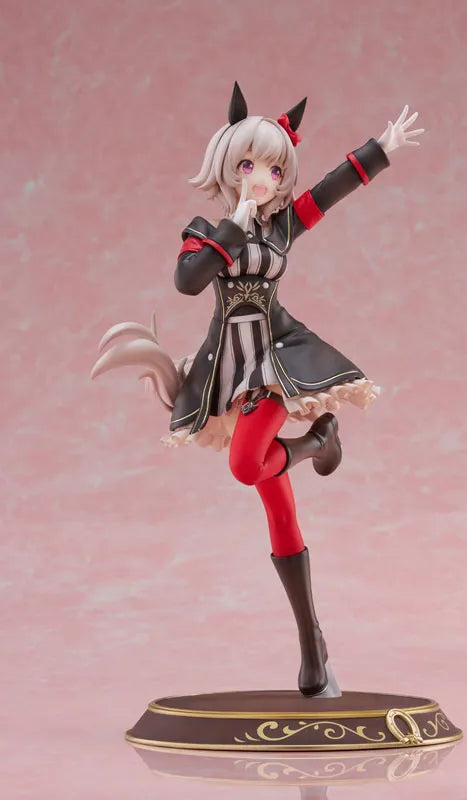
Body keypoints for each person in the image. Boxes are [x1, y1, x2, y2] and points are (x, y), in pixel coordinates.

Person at [92, 82, 423, 697]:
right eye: (248, 166)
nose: (262, 179)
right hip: (228, 368)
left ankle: (317, 442)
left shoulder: (285, 227)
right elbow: (189, 281)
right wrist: (234, 225)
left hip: (277, 358)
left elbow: (329, 190)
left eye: (273, 168)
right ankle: (312, 643)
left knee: (247, 465)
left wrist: (380, 148)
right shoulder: (205, 231)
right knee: (279, 507)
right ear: (226, 166)